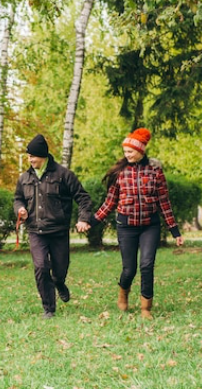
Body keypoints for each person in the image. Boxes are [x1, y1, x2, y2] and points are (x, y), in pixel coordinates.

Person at [88, 128, 184, 319]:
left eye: (130, 151)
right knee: (129, 269)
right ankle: (123, 293)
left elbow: (164, 202)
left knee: (147, 265)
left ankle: (145, 308)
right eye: (125, 152)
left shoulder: (155, 171)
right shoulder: (121, 173)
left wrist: (175, 231)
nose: (127, 155)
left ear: (140, 150)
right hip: (126, 227)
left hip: (150, 225)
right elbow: (110, 202)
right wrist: (92, 221)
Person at [14, 134, 93, 319]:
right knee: (41, 267)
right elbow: (18, 198)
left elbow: (83, 197)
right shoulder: (24, 178)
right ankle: (49, 308)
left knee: (59, 269)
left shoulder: (64, 175)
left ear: (44, 156)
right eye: (28, 156)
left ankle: (59, 282)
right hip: (36, 231)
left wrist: (83, 219)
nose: (31, 159)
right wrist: (20, 209)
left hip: (58, 232)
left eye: (34, 156)